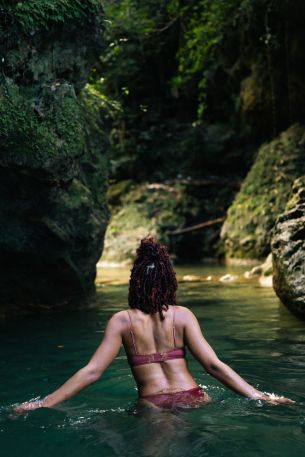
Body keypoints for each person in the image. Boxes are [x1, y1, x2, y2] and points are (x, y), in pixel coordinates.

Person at [15, 236, 294, 412]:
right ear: (168, 281)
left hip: (154, 405)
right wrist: (262, 396)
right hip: (196, 397)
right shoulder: (183, 315)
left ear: (135, 282)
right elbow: (214, 366)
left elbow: (91, 373)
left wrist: (42, 403)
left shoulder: (121, 321)